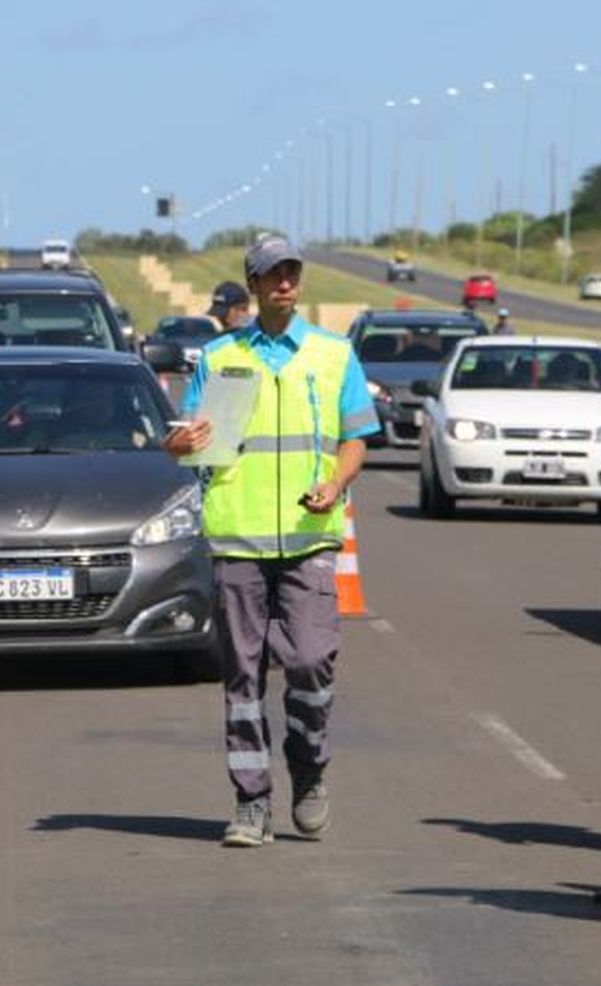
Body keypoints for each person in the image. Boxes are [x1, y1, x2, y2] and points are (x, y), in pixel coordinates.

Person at [162, 235, 380, 847]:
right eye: (271, 275)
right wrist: (178, 445)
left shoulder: (334, 355)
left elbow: (356, 437)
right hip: (239, 541)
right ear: (252, 286)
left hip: (310, 538)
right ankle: (251, 801)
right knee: (244, 676)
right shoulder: (220, 356)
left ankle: (308, 767)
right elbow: (194, 439)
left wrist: (337, 481)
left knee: (311, 661)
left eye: (291, 272)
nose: (284, 282)